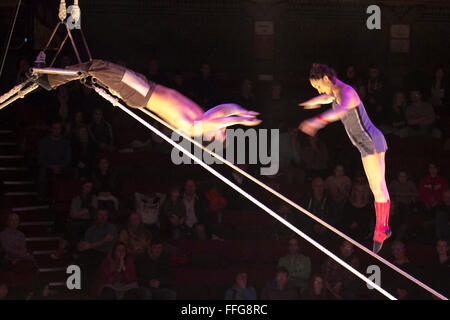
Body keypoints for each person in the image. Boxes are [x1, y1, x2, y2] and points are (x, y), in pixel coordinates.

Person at [34, 59, 261, 141]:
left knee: (97, 66)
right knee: (97, 68)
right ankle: (51, 78)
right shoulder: (202, 115)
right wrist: (241, 112)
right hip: (144, 86)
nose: (220, 129)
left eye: (219, 132)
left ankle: (49, 79)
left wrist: (238, 121)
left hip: (141, 93)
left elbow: (217, 121)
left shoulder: (192, 128)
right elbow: (222, 110)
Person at [298, 63, 391, 253]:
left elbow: (339, 111)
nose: (319, 89)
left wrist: (317, 121)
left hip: (370, 143)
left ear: (326, 79)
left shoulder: (347, 92)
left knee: (377, 188)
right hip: (371, 141)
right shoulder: (336, 91)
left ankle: (381, 230)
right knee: (379, 187)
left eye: (318, 86)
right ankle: (383, 228)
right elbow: (327, 97)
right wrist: (314, 102)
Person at [37, 120, 72, 200]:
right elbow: (41, 158)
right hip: (48, 166)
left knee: (71, 171)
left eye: (58, 128)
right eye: (54, 128)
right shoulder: (44, 141)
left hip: (62, 167)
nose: (56, 131)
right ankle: (43, 197)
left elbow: (68, 158)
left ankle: (65, 197)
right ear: (51, 129)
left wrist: (60, 166)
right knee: (42, 172)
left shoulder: (65, 142)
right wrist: (51, 166)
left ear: (61, 130)